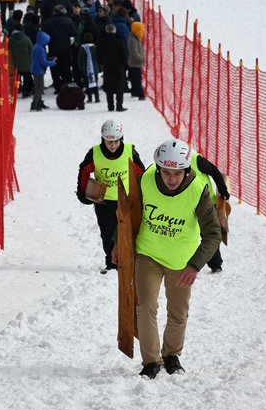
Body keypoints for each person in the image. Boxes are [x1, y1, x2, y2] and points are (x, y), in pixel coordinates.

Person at [111, 139, 221, 379]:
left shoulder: (197, 190)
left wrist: (195, 265)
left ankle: (171, 355)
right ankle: (151, 361)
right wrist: (118, 242)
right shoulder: (145, 179)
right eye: (166, 173)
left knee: (178, 311)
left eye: (178, 174)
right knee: (146, 307)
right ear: (158, 168)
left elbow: (213, 233)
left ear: (187, 170)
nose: (172, 179)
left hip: (181, 260)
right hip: (148, 254)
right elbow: (127, 210)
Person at [77, 119, 145, 273]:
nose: (113, 145)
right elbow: (84, 170)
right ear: (103, 139)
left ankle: (130, 259)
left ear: (121, 139)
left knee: (128, 230)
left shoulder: (129, 151)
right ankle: (111, 262)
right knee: (108, 232)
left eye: (116, 141)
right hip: (104, 201)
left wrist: (142, 194)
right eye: (109, 141)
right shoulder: (95, 153)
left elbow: (141, 173)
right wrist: (82, 193)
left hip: (126, 199)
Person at [190, 152, 230, 273]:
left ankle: (215, 264)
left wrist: (223, 190)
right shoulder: (167, 165)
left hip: (206, 205)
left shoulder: (196, 160)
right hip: (185, 206)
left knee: (210, 235)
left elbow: (214, 171)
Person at [42, 4, 76, 94]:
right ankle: (67, 85)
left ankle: (58, 87)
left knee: (55, 68)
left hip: (53, 48)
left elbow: (44, 34)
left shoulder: (49, 22)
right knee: (66, 67)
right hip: (65, 48)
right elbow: (74, 32)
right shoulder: (69, 21)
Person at [97, 24, 127, 112]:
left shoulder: (101, 42)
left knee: (108, 86)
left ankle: (110, 106)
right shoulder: (119, 42)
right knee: (119, 86)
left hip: (107, 66)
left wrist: (102, 63)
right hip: (118, 67)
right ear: (114, 31)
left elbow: (98, 56)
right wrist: (123, 64)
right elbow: (124, 56)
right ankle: (119, 106)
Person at [30, 31, 57, 111]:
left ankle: (39, 101)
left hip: (36, 69)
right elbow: (43, 62)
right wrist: (52, 62)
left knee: (39, 86)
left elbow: (42, 59)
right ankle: (35, 103)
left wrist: (51, 58)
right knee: (39, 87)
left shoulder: (37, 46)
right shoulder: (40, 49)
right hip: (38, 70)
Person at [9, 23, 34, 97]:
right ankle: (26, 91)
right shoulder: (26, 39)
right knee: (27, 77)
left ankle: (17, 89)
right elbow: (31, 50)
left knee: (17, 77)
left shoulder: (10, 39)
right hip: (27, 63)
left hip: (15, 63)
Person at [78, 32, 100, 103]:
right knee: (95, 83)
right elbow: (98, 58)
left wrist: (80, 67)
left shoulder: (82, 48)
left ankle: (89, 97)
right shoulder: (95, 47)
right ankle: (97, 97)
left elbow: (80, 59)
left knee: (87, 84)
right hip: (94, 69)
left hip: (85, 69)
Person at [128, 21, 145, 100]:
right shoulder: (133, 39)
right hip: (135, 63)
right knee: (137, 78)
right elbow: (134, 52)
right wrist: (141, 59)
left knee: (135, 78)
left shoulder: (136, 38)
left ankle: (135, 91)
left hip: (135, 62)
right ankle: (140, 93)